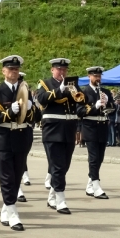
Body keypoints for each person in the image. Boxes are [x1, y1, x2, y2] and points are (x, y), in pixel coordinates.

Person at [0, 56, 39, 230]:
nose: (14, 72)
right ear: (3, 71)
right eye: (10, 69)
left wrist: (32, 107)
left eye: (16, 69)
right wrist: (10, 112)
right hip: (4, 136)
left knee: (17, 174)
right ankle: (12, 212)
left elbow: (37, 117)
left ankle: (6, 208)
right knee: (6, 176)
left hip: (22, 136)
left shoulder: (25, 89)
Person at [36, 58, 82, 214]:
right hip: (53, 130)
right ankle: (61, 199)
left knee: (65, 166)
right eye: (59, 69)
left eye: (64, 70)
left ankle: (52, 195)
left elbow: (79, 102)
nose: (62, 72)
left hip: (69, 129)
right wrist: (59, 90)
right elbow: (41, 99)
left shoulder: (71, 86)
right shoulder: (44, 83)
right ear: (52, 70)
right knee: (57, 166)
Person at [78, 66, 114, 199]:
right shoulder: (83, 93)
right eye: (95, 76)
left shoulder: (105, 91)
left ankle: (89, 185)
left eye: (99, 76)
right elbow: (79, 112)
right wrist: (95, 107)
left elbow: (113, 109)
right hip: (90, 127)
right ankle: (96, 185)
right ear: (89, 76)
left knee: (100, 158)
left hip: (102, 126)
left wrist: (108, 103)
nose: (98, 78)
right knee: (93, 158)